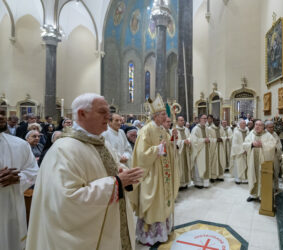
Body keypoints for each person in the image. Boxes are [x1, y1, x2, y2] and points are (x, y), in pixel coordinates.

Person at [26, 93, 144, 250]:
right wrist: (117, 183)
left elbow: (115, 170)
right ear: (82, 113)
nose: (108, 117)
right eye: (102, 112)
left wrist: (125, 174)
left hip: (112, 228)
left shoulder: (103, 144)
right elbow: (66, 200)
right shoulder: (64, 150)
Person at [130, 94, 179, 246]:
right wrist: (157, 149)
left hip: (163, 172)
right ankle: (149, 236)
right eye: (164, 114)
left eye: (165, 114)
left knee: (163, 202)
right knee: (152, 202)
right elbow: (141, 154)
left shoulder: (162, 129)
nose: (166, 116)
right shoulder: (146, 130)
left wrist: (172, 140)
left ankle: (161, 233)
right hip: (152, 173)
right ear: (156, 116)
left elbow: (168, 148)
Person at [0, 113, 39, 250]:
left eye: (2, 113)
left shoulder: (20, 145)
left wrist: (19, 178)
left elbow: (34, 171)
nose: (1, 116)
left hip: (10, 209)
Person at [243, 120, 275, 202]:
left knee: (262, 177)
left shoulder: (268, 135)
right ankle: (253, 195)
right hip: (252, 161)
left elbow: (272, 145)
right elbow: (244, 144)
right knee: (252, 175)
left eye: (260, 125)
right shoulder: (251, 134)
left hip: (263, 161)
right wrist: (252, 144)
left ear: (263, 127)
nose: (257, 126)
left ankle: (261, 195)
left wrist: (263, 145)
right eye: (256, 124)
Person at [190, 114, 214, 189]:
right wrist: (204, 140)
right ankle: (198, 183)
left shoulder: (207, 128)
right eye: (203, 118)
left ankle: (205, 183)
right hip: (199, 151)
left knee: (205, 165)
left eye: (206, 118)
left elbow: (209, 137)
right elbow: (193, 141)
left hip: (206, 150)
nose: (205, 120)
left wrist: (209, 139)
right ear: (199, 119)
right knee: (199, 166)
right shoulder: (195, 129)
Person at [175, 116, 192, 189]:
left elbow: (190, 137)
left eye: (183, 120)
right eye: (181, 120)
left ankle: (186, 183)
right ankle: (180, 184)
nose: (182, 122)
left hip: (186, 150)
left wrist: (188, 140)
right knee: (180, 167)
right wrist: (182, 142)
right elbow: (173, 141)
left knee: (186, 165)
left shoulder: (186, 129)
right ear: (177, 121)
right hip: (179, 153)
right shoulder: (174, 130)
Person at [265, 120, 282, 191]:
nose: (272, 129)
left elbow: (279, 144)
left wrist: (277, 148)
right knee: (268, 173)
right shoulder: (263, 134)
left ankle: (276, 187)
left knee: (276, 171)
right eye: (270, 127)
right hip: (267, 156)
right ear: (266, 127)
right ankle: (268, 187)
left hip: (275, 156)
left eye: (272, 127)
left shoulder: (275, 134)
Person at [231, 119, 249, 184]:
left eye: (245, 123)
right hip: (239, 152)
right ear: (240, 124)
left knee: (246, 165)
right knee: (238, 165)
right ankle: (238, 179)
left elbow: (250, 140)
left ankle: (245, 179)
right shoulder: (236, 132)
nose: (244, 124)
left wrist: (247, 149)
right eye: (243, 123)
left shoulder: (247, 131)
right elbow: (234, 144)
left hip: (247, 151)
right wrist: (242, 150)